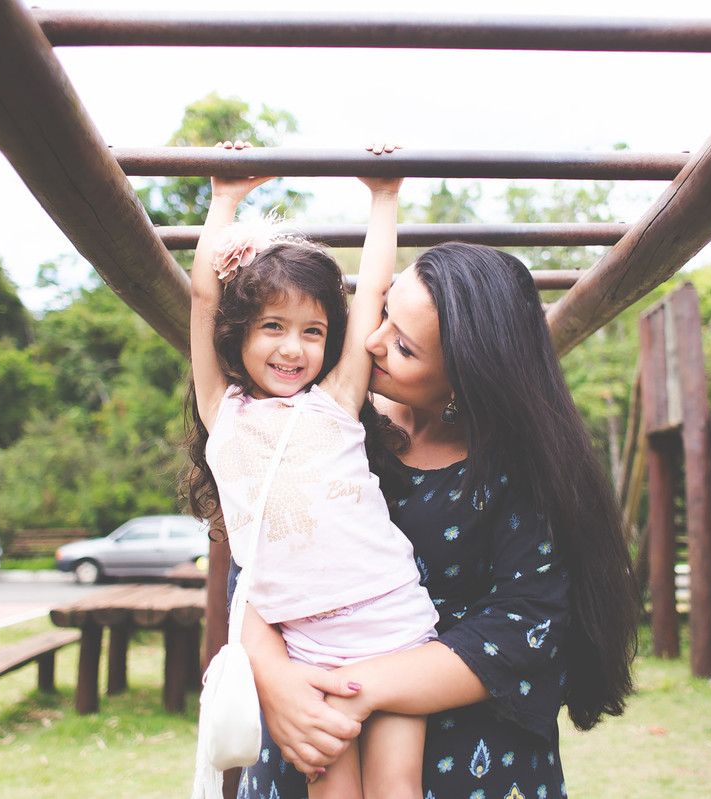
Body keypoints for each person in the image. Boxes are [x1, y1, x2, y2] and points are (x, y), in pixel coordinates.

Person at [238, 242, 640, 799]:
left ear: (465, 379)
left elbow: (528, 625)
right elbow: (254, 555)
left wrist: (360, 687)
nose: (372, 342)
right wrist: (277, 681)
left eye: (402, 346)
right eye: (382, 317)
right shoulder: (326, 411)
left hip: (466, 760)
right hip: (309, 734)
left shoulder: (523, 466)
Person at [184, 141, 438, 799]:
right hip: (307, 644)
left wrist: (384, 197)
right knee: (332, 792)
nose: (293, 347)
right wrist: (224, 199)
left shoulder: (336, 400)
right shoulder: (225, 411)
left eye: (312, 331)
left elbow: (372, 290)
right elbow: (203, 297)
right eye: (272, 326)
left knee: (397, 788)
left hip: (390, 620)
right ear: (240, 333)